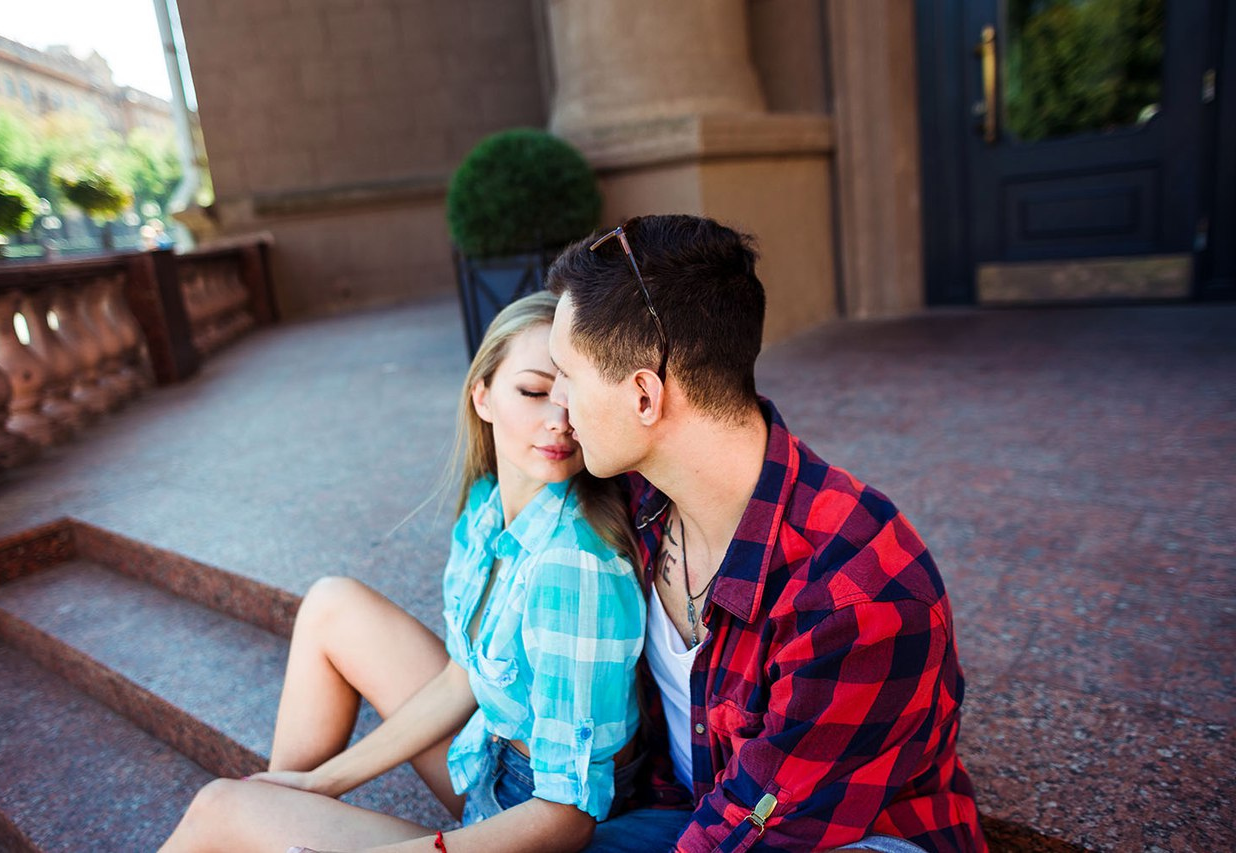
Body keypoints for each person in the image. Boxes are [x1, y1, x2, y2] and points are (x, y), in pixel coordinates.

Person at [544, 215, 987, 853]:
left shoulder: (859, 593)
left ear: (645, 396)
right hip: (696, 812)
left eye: (566, 374)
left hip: (844, 839)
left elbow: (759, 828)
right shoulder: (641, 498)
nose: (556, 400)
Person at [160, 291, 646, 852]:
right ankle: (281, 805)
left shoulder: (573, 565)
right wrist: (318, 782)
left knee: (219, 806)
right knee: (331, 604)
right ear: (482, 396)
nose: (559, 421)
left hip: (538, 827)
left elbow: (568, 819)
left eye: (571, 397)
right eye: (534, 391)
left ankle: (264, 821)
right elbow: (462, 677)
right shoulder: (488, 509)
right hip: (491, 761)